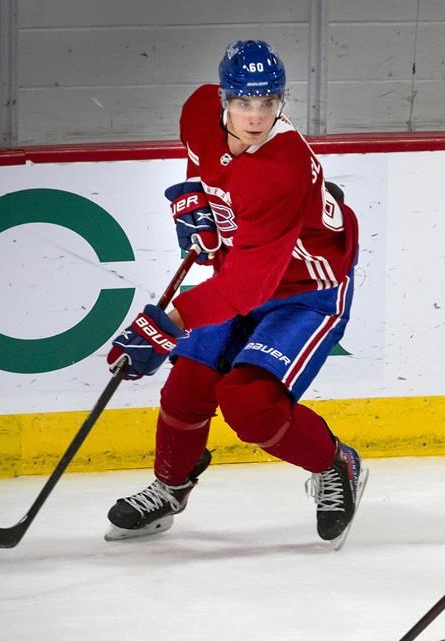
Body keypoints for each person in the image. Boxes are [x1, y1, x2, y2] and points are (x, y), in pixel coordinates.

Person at [104, 40, 367, 547]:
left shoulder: (280, 170)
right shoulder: (199, 110)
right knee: (188, 387)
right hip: (244, 274)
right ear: (224, 98)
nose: (256, 116)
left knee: (249, 402)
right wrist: (193, 205)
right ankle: (170, 485)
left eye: (268, 102)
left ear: (281, 101)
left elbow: (249, 287)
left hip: (306, 291)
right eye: (244, 102)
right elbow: (201, 164)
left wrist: (169, 323)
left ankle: (337, 464)